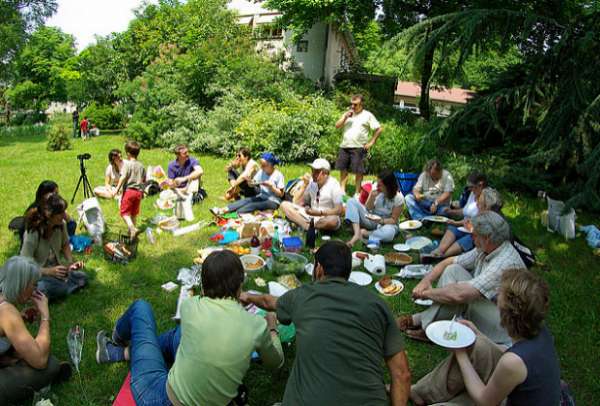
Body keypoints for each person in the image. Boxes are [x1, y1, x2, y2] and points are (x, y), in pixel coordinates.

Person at [95, 250, 284, 406]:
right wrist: (272, 328)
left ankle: (119, 341)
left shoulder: (191, 306)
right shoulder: (256, 326)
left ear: (203, 286)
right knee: (176, 335)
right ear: (240, 286)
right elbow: (276, 362)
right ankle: (122, 352)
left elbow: (209, 310)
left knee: (141, 308)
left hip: (158, 399)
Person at [240, 241, 411, 405]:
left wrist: (247, 296)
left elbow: (269, 301)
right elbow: (402, 374)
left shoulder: (303, 295)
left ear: (319, 269)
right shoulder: (378, 304)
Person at [411, 269, 561, 406]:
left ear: (507, 313)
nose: (495, 298)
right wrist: (477, 334)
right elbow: (509, 353)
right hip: (510, 395)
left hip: (497, 400)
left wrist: (460, 353)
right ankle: (420, 392)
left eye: (498, 298)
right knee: (478, 345)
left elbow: (485, 401)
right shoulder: (539, 330)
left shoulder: (513, 363)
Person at [397, 212, 525, 345]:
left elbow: (460, 295)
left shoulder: (503, 263)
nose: (472, 238)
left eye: (474, 235)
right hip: (492, 307)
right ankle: (431, 323)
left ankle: (427, 325)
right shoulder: (488, 247)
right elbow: (450, 261)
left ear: (487, 238)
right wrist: (426, 281)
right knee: (453, 270)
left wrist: (426, 294)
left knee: (461, 295)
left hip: (506, 327)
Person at [0, 256, 72, 404]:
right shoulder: (7, 312)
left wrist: (19, 318)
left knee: (20, 353)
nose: (36, 289)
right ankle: (43, 381)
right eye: (34, 284)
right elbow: (40, 360)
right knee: (50, 365)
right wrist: (45, 317)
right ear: (22, 285)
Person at [20, 194, 88, 301]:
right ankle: (56, 288)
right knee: (46, 287)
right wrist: (48, 271)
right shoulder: (32, 233)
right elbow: (24, 265)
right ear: (49, 214)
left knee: (82, 277)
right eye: (61, 213)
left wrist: (70, 263)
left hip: (56, 271)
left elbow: (65, 244)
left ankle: (60, 287)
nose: (64, 215)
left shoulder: (61, 225)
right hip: (37, 275)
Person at [431, 186, 502, 259]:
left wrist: (471, 229)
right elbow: (470, 221)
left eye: (480, 203)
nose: (477, 204)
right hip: (468, 230)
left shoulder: (494, 222)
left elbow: (483, 238)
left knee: (469, 239)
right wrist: (456, 223)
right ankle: (440, 250)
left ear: (487, 207)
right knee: (453, 228)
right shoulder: (483, 213)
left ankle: (440, 255)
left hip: (476, 239)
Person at [335, 94, 383, 195]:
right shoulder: (347, 114)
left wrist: (371, 142)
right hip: (345, 145)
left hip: (358, 147)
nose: (352, 106)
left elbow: (379, 129)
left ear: (361, 104)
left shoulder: (367, 115)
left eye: (355, 105)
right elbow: (337, 125)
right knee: (343, 169)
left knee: (358, 171)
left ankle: (357, 192)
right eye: (351, 104)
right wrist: (345, 117)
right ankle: (342, 191)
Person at [279, 158, 343, 232]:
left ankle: (306, 225)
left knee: (333, 220)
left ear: (325, 173)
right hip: (312, 216)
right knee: (284, 204)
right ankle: (308, 227)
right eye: (312, 170)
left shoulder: (334, 185)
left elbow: (339, 209)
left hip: (326, 217)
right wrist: (304, 185)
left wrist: (320, 213)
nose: (313, 174)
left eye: (316, 172)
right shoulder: (312, 182)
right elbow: (296, 202)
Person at [345, 170, 405, 247]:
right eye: (377, 184)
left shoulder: (398, 198)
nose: (377, 187)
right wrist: (371, 197)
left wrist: (381, 221)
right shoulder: (376, 191)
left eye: (380, 185)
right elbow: (368, 208)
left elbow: (394, 220)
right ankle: (357, 234)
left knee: (389, 233)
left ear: (388, 186)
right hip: (371, 220)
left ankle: (365, 233)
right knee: (351, 201)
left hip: (387, 223)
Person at [211, 152, 284, 215]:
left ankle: (238, 214)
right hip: (262, 196)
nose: (261, 167)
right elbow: (252, 184)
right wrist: (249, 181)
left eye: (264, 165)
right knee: (246, 200)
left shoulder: (278, 175)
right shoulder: (262, 172)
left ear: (271, 165)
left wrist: (271, 187)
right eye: (261, 164)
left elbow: (281, 194)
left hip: (273, 201)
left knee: (252, 205)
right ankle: (222, 210)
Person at [111, 141, 146, 239]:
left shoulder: (127, 165)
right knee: (134, 214)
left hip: (129, 192)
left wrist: (116, 189)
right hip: (138, 193)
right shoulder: (141, 166)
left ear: (128, 154)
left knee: (124, 213)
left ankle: (132, 228)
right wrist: (142, 192)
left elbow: (123, 177)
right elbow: (144, 180)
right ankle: (132, 234)